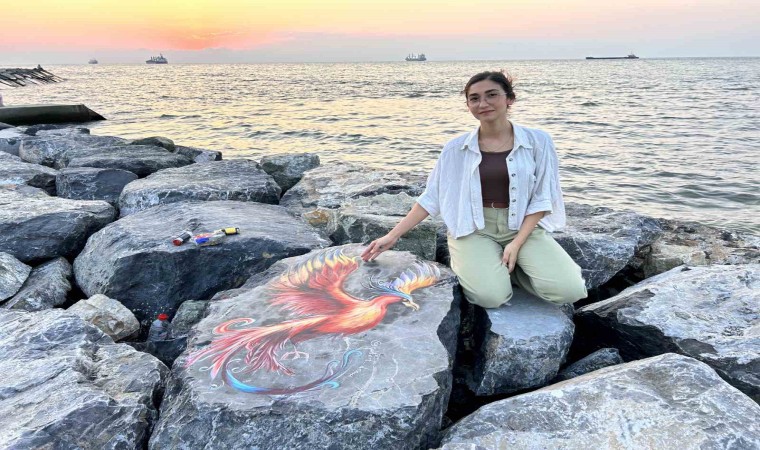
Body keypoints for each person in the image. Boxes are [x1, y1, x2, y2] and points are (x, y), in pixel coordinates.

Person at [361, 70, 587, 308]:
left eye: (492, 95)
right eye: (475, 98)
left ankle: (511, 270)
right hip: (473, 227)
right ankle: (492, 271)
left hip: (522, 225)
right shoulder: (455, 148)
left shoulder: (539, 141)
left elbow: (543, 197)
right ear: (468, 105)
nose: (483, 103)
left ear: (509, 99)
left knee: (570, 290)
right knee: (490, 297)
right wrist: (392, 235)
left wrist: (517, 243)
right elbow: (432, 197)